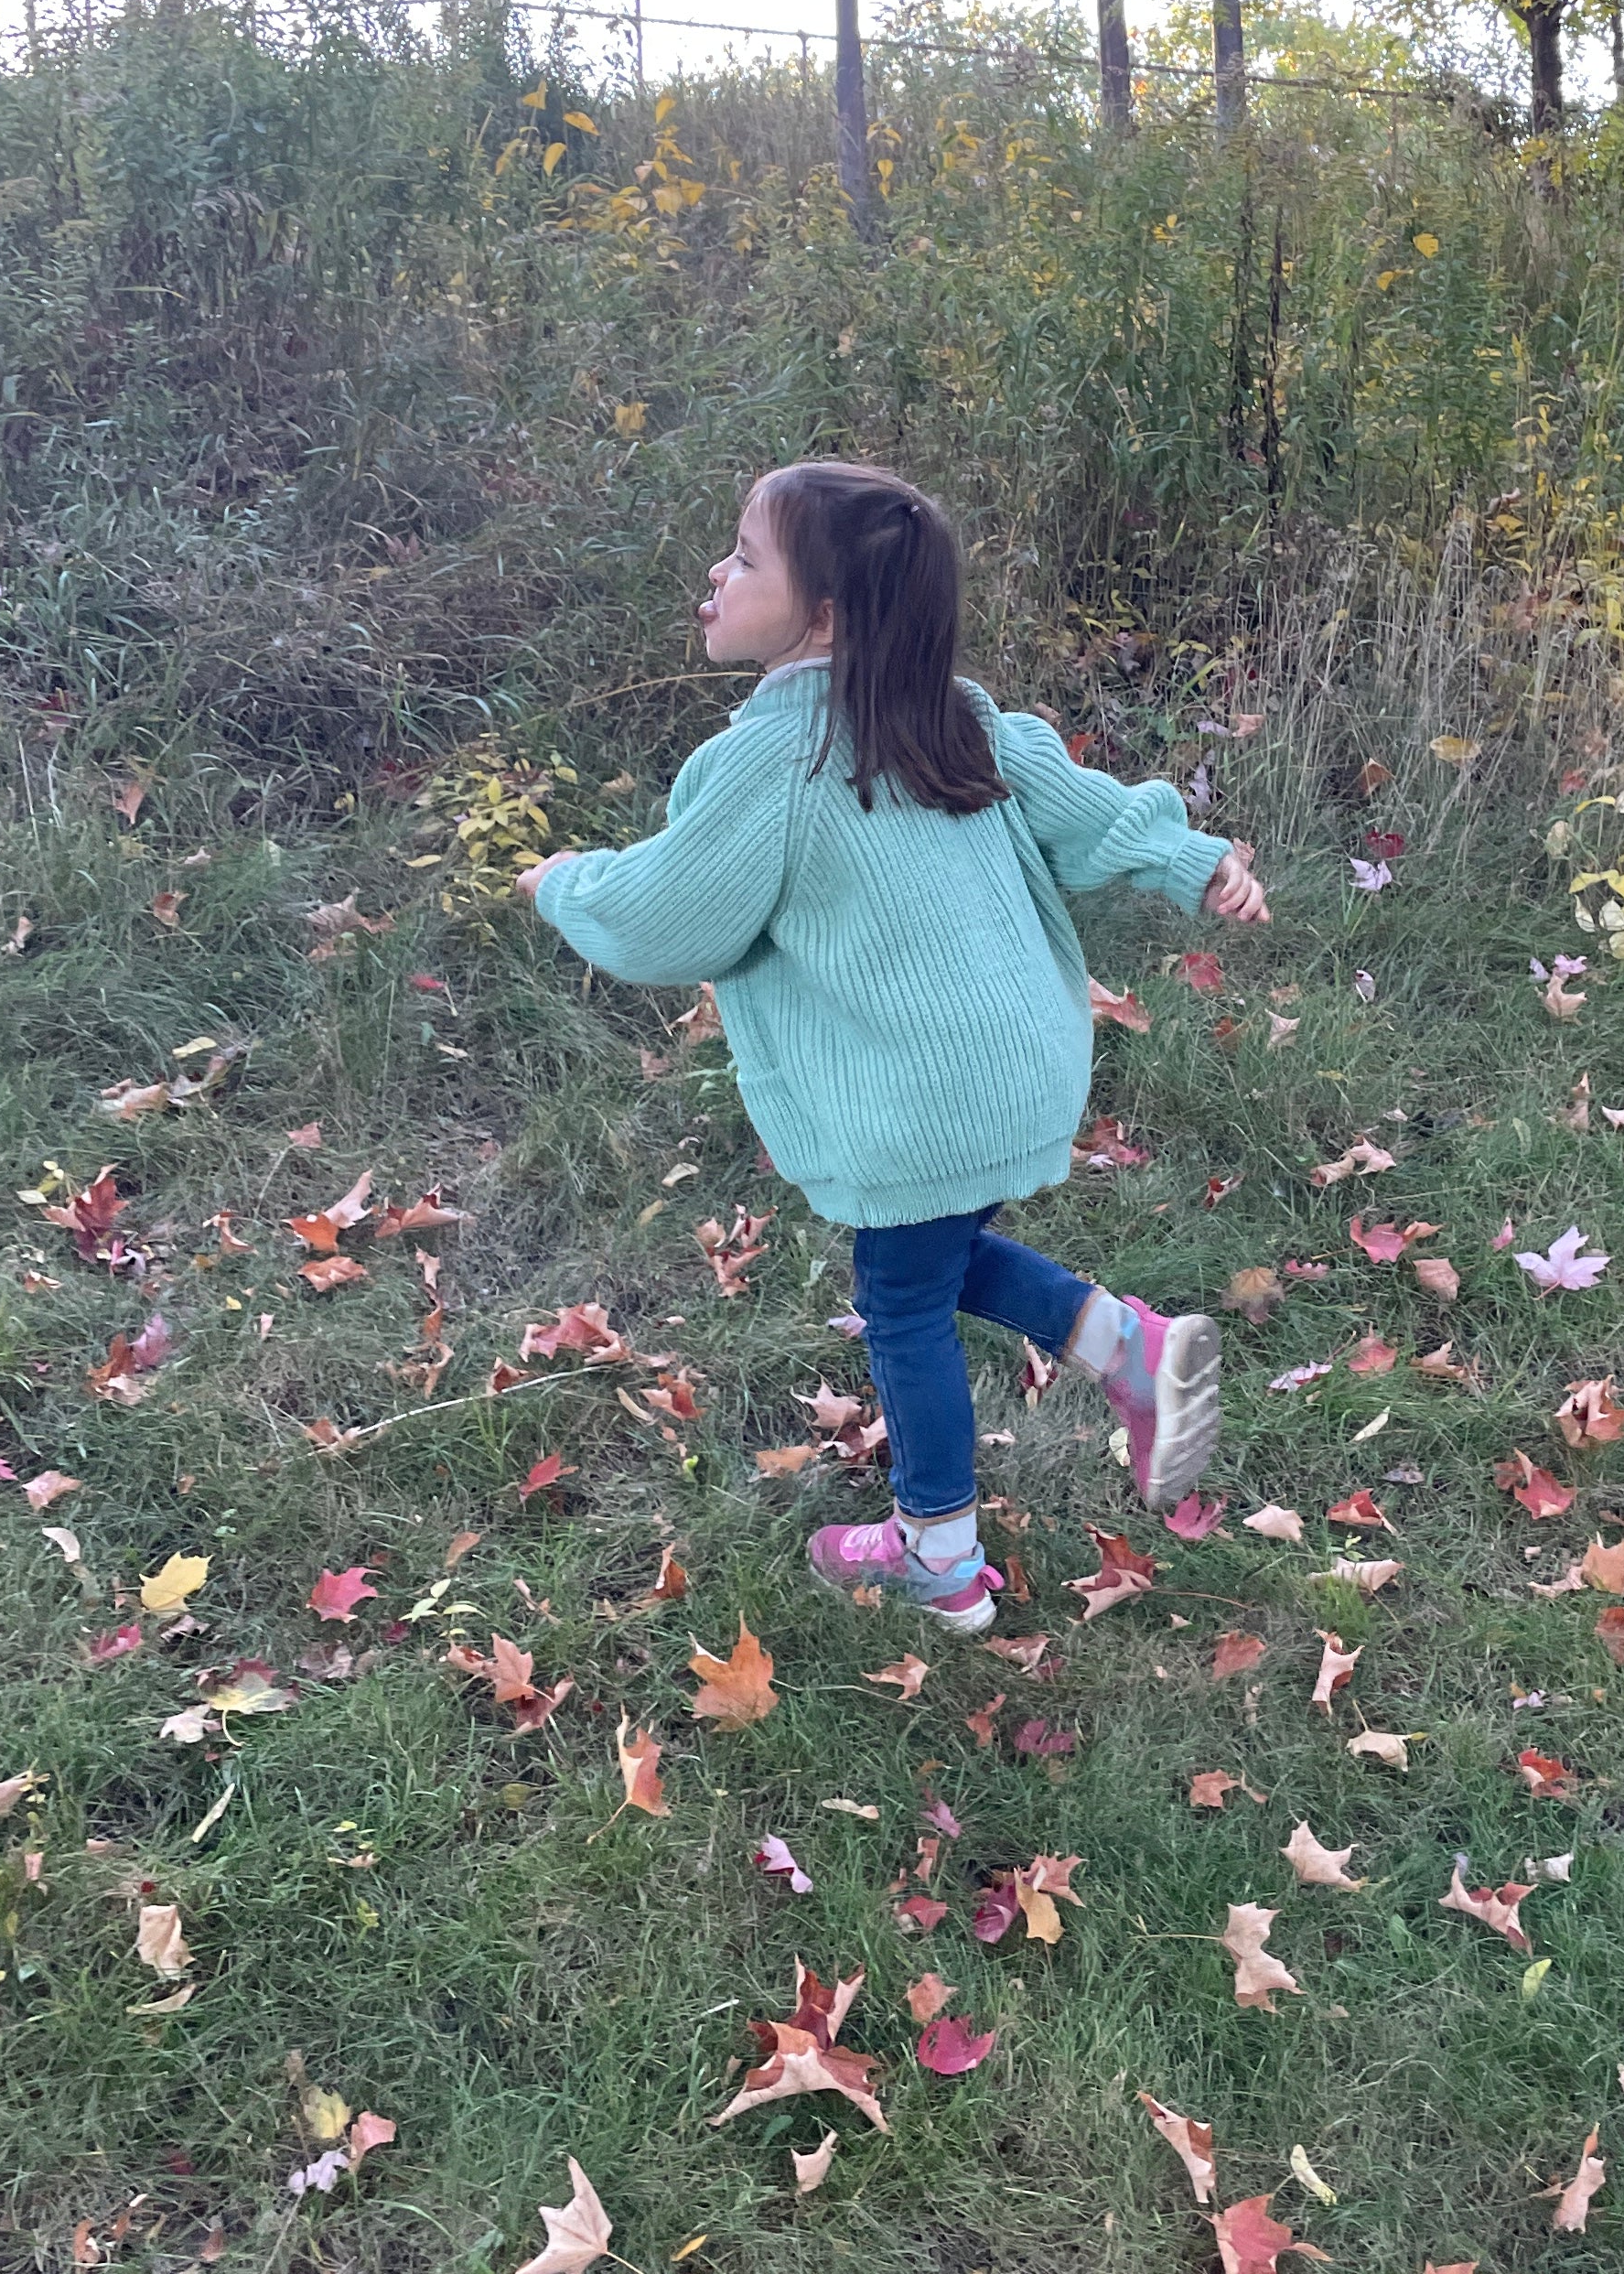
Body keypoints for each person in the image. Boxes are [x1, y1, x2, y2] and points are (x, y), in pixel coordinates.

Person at [517, 459, 1268, 1635]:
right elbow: (1088, 809)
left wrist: (563, 882)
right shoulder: (954, 714)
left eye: (746, 559)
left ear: (824, 613)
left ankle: (938, 1551)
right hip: (1017, 1059)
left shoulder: (773, 761)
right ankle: (1128, 1350)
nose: (718, 573)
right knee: (934, 1255)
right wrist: (1192, 859)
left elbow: (665, 917)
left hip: (915, 1091)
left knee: (901, 1302)